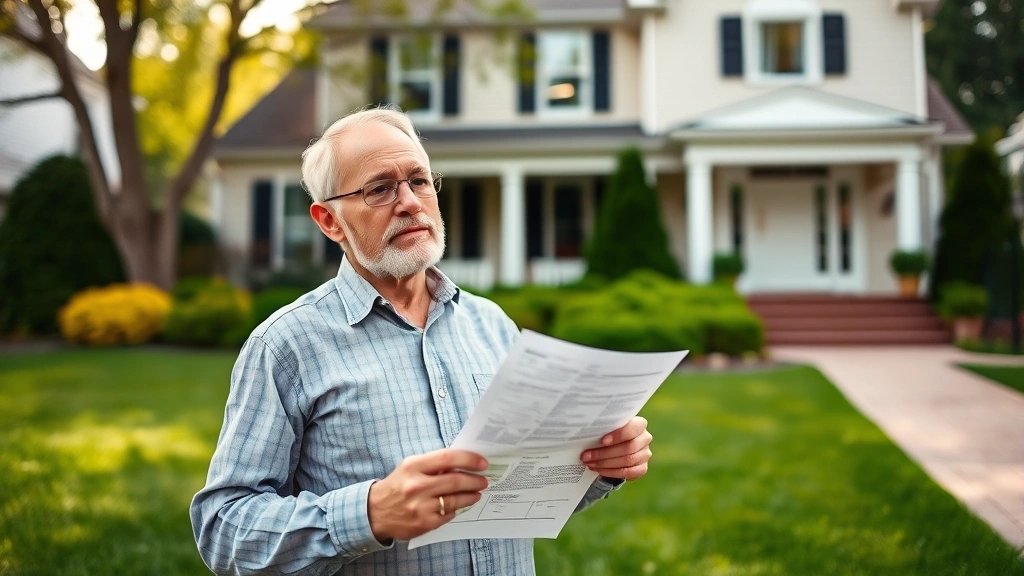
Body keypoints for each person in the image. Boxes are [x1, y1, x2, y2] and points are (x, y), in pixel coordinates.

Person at [189, 106, 654, 576]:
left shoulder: (491, 325)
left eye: (420, 180)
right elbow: (224, 528)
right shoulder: (286, 346)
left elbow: (524, 495)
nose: (410, 202)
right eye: (379, 189)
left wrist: (599, 465)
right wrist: (368, 515)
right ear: (329, 221)